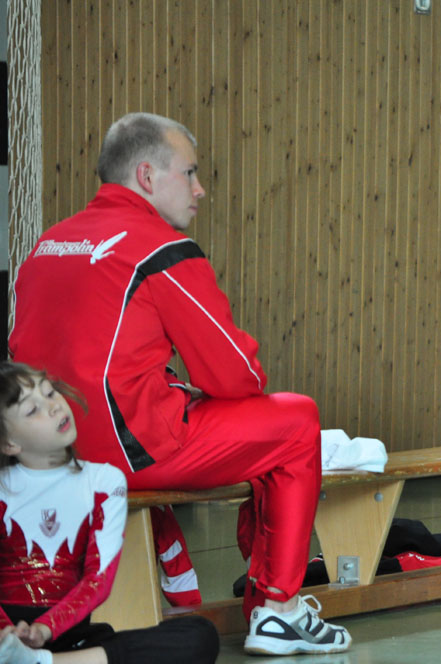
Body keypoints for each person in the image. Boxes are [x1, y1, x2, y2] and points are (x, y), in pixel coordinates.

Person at [8, 112, 350, 655]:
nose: (200, 189)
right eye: (189, 173)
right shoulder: (159, 247)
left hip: (44, 449)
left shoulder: (47, 244)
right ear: (146, 176)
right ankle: (278, 608)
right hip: (130, 449)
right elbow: (234, 374)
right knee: (295, 420)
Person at [0, 362, 219, 664]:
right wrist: (8, 635)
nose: (53, 406)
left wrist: (44, 630)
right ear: (9, 443)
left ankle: (40, 662)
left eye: (50, 393)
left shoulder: (104, 481)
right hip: (6, 634)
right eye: (32, 409)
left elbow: (98, 580)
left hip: (72, 636)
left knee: (200, 635)